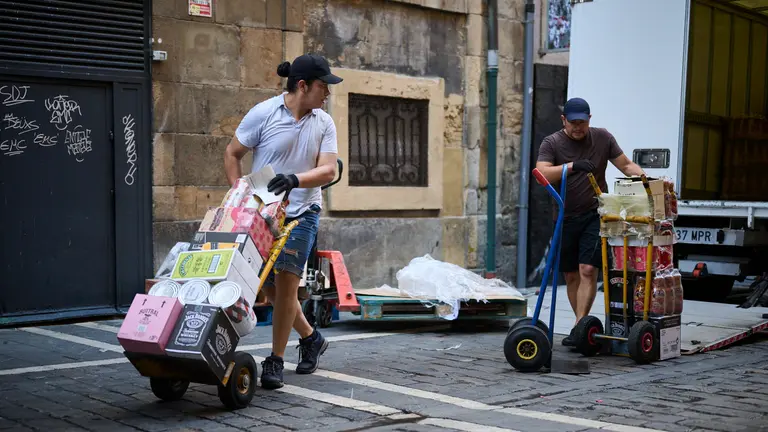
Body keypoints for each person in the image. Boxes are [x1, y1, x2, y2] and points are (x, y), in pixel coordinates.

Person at [223, 53, 342, 389]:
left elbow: (329, 169)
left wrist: (294, 179)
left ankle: (275, 360)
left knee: (287, 280)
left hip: (303, 211)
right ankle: (311, 338)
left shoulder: (323, 122)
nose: (327, 94)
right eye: (323, 86)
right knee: (268, 286)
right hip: (263, 212)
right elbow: (232, 153)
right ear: (302, 86)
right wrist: (240, 197)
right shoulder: (264, 113)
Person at [535, 97, 644, 347]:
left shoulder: (603, 138)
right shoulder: (552, 142)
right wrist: (572, 166)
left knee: (588, 270)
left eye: (582, 122)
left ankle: (580, 326)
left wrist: (650, 181)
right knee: (571, 275)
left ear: (589, 120)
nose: (577, 127)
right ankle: (581, 325)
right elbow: (541, 173)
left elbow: (626, 165)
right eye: (572, 122)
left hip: (595, 214)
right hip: (564, 216)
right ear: (564, 120)